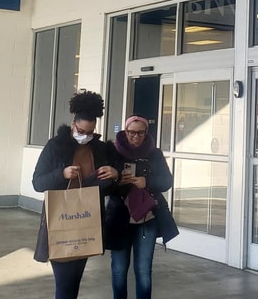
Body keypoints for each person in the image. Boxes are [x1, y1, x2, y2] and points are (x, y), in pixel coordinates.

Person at [33, 90, 120, 299]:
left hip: (87, 222)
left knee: (73, 285)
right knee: (64, 286)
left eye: (90, 132)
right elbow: (37, 182)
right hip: (60, 222)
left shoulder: (100, 149)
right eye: (82, 131)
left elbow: (114, 189)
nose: (86, 136)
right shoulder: (55, 146)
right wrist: (62, 174)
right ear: (73, 124)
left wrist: (114, 175)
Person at [105, 115, 179, 299]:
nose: (136, 137)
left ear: (146, 133)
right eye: (131, 133)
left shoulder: (155, 153)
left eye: (140, 133)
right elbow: (104, 187)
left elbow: (167, 181)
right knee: (119, 269)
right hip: (119, 218)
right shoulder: (114, 153)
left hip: (147, 218)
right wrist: (117, 177)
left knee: (144, 269)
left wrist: (147, 181)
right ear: (125, 131)